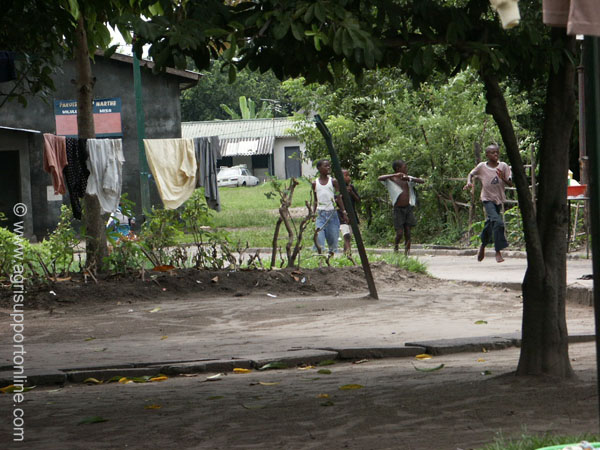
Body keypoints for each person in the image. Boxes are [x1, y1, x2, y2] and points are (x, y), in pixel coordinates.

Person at [463, 144, 512, 263]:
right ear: (487, 155)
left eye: (497, 152)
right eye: (493, 152)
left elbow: (510, 184)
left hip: (498, 199)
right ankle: (498, 251)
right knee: (498, 222)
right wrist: (469, 182)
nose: (495, 154)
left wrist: (502, 178)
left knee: (490, 224)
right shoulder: (482, 167)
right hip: (487, 199)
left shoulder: (504, 166)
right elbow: (471, 174)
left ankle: (483, 245)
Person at [378, 160, 425, 255]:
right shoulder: (391, 180)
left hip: (408, 208)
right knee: (399, 233)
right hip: (398, 209)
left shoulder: (407, 178)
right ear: (398, 169)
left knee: (408, 232)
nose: (406, 169)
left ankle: (407, 253)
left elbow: (422, 181)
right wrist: (394, 175)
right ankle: (396, 248)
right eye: (404, 167)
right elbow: (380, 178)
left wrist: (409, 179)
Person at [312, 159, 348, 254]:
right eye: (325, 166)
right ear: (319, 168)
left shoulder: (333, 182)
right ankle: (319, 261)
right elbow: (315, 200)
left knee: (333, 241)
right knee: (319, 239)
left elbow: (338, 197)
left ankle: (330, 263)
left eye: (329, 166)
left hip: (332, 214)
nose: (328, 168)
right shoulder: (315, 183)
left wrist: (344, 212)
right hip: (320, 214)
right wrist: (313, 214)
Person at [338, 169, 361, 255]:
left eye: (348, 175)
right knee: (346, 235)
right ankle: (348, 253)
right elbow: (335, 200)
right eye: (346, 176)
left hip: (352, 214)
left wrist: (351, 192)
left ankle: (346, 253)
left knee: (349, 236)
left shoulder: (351, 187)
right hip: (342, 215)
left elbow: (358, 200)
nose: (349, 178)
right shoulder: (337, 188)